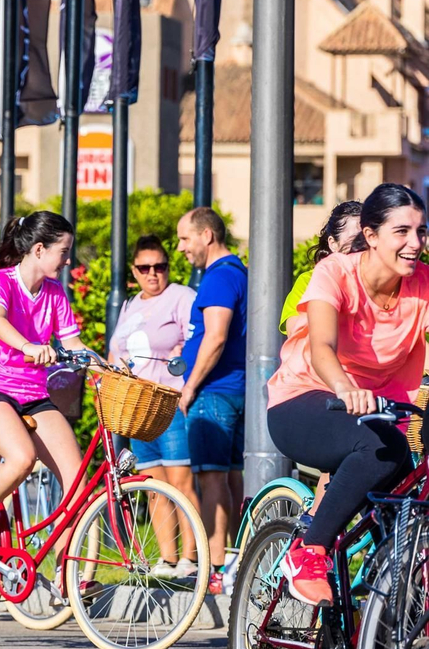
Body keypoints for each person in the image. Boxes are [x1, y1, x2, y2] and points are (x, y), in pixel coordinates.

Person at [265, 183, 429, 605]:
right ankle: (309, 550)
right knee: (381, 450)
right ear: (370, 235)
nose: (415, 243)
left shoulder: (423, 284)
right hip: (306, 399)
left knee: (408, 499)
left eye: (421, 231)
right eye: (402, 232)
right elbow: (321, 345)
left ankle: (385, 611)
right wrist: (344, 386)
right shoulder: (335, 272)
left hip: (377, 412)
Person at [0, 212, 93, 573]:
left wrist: (108, 368)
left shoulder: (55, 293)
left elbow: (74, 344)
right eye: (64, 252)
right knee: (21, 458)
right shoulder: (3, 281)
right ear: (40, 249)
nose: (68, 261)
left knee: (77, 479)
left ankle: (67, 573)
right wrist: (28, 345)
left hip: (30, 391)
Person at [108, 234, 199, 578]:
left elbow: (197, 337)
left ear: (167, 267)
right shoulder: (130, 305)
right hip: (138, 407)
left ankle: (191, 558)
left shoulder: (180, 296)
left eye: (159, 266)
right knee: (153, 485)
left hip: (169, 402)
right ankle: (167, 558)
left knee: (180, 483)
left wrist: (184, 365)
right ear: (133, 271)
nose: (152, 273)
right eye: (144, 268)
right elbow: (116, 352)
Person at [176, 206, 249, 595]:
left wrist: (190, 386)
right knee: (230, 476)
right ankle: (234, 564)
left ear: (207, 235)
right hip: (232, 389)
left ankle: (215, 568)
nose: (181, 247)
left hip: (215, 391)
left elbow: (216, 336)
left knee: (211, 478)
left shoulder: (219, 277)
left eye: (185, 238)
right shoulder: (236, 272)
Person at [281, 201, 363, 334]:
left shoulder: (384, 282)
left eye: (368, 237)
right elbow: (295, 331)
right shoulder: (309, 281)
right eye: (355, 239)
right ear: (333, 243)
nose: (362, 246)